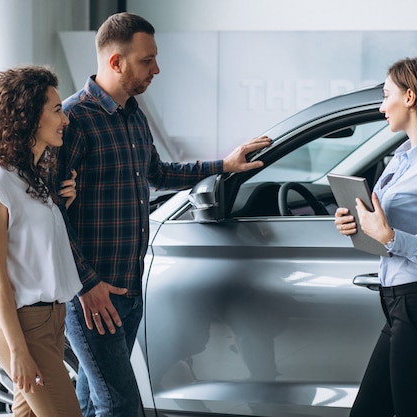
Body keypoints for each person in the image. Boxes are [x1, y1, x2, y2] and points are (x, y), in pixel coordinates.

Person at [56, 12, 272, 417]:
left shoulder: (133, 113)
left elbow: (157, 173)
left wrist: (223, 165)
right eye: (146, 60)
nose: (157, 68)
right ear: (116, 61)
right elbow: (54, 215)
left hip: (128, 289)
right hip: (94, 296)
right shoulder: (74, 121)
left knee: (91, 399)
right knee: (120, 405)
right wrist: (87, 285)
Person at [334, 56, 417, 417]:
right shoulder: (403, 157)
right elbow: (387, 222)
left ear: (410, 97)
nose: (381, 105)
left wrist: (391, 238)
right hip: (397, 306)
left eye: (386, 93)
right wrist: (355, 223)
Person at [0, 65, 83, 417]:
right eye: (57, 110)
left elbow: (38, 250)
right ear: (29, 116)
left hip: (50, 322)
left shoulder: (32, 179)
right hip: (24, 327)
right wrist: (17, 350)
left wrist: (63, 207)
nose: (66, 120)